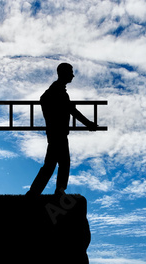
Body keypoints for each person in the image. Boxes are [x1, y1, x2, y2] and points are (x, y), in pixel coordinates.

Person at [26, 63, 97, 198]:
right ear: (64, 73)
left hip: (56, 132)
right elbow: (72, 110)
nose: (73, 75)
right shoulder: (57, 91)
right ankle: (44, 191)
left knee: (54, 163)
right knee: (60, 163)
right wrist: (88, 124)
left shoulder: (57, 90)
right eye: (70, 72)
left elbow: (65, 107)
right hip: (57, 133)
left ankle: (38, 191)